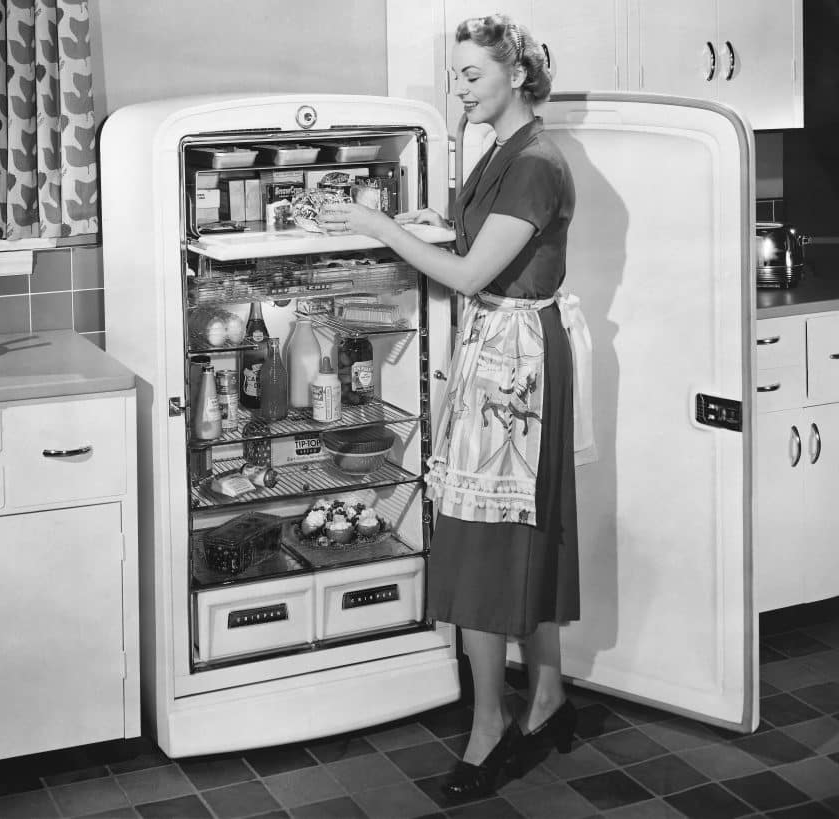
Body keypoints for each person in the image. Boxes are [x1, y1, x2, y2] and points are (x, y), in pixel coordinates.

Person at [319, 13, 582, 800]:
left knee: (484, 535)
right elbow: (476, 240)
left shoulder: (534, 161)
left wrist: (377, 228)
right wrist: (421, 224)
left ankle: (490, 727)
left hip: (518, 364)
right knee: (517, 528)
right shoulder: (500, 150)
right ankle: (549, 697)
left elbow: (469, 276)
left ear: (518, 77)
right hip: (502, 351)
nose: (458, 86)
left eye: (472, 75)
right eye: (456, 73)